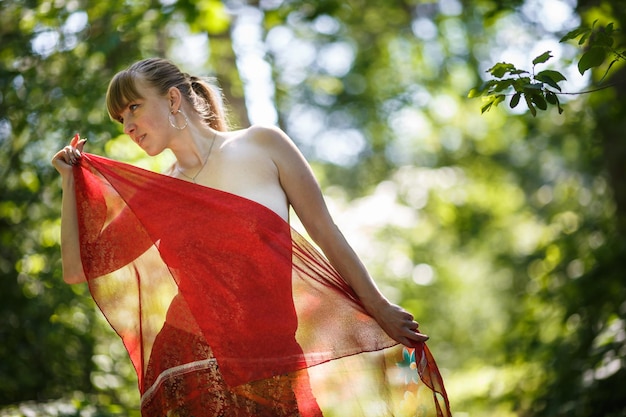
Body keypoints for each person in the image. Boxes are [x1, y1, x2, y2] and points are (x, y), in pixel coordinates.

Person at [51, 58, 448, 417]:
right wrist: (71, 182)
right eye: (120, 119)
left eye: (133, 107)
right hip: (191, 366)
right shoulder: (157, 196)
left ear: (173, 99)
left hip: (272, 360)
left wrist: (378, 306)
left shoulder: (263, 145)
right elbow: (76, 269)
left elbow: (326, 232)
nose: (128, 126)